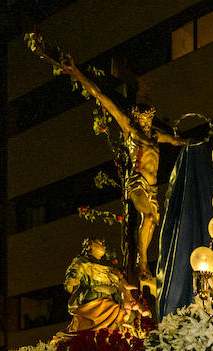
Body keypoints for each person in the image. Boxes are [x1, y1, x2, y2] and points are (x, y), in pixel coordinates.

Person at [51, 48, 182, 284]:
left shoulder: (155, 136)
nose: (145, 124)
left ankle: (145, 264)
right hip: (137, 183)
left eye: (148, 121)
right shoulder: (130, 130)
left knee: (153, 222)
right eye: (142, 120)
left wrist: (191, 143)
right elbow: (101, 96)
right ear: (136, 118)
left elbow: (175, 140)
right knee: (147, 216)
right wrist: (76, 72)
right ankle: (142, 265)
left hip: (152, 188)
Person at [60, 237, 141, 336]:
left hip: (109, 300)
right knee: (118, 312)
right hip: (93, 302)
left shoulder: (108, 268)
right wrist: (72, 280)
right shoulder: (81, 263)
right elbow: (71, 282)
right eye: (99, 243)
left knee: (126, 315)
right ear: (89, 246)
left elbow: (120, 284)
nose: (103, 246)